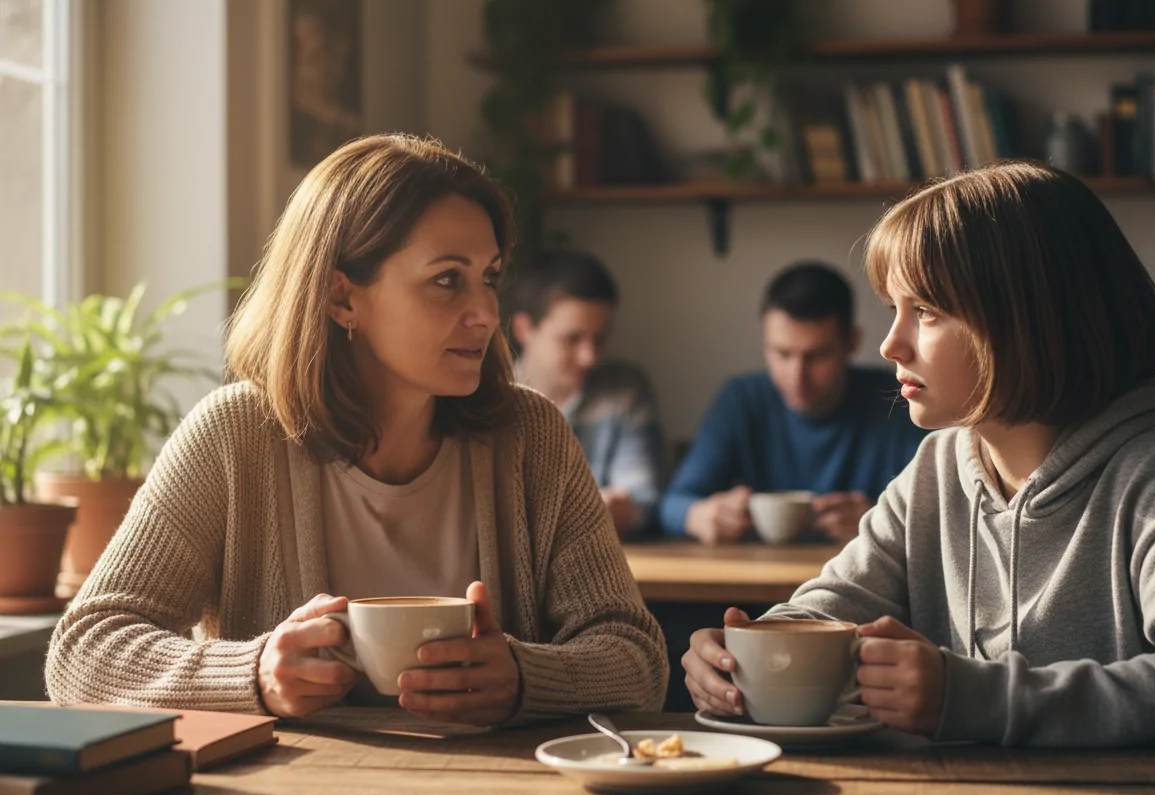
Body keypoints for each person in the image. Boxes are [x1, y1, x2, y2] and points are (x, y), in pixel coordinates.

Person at [44, 134, 668, 724]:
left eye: (489, 277)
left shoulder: (532, 437)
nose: (485, 313)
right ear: (343, 298)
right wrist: (253, 672)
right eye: (447, 279)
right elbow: (83, 654)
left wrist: (525, 678)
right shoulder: (233, 437)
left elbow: (636, 657)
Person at [682, 161, 1155, 746]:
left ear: (1025, 322)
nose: (889, 343)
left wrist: (975, 697)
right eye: (892, 310)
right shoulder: (938, 466)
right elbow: (830, 607)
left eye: (924, 312)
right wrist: (746, 654)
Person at [658, 261, 926, 544]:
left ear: (851, 343)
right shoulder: (741, 401)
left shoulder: (898, 399)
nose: (797, 377)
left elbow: (940, 511)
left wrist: (882, 520)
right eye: (782, 354)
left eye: (817, 356)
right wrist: (699, 515)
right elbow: (672, 504)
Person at [510, 250, 663, 537]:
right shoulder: (486, 394)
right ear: (524, 328)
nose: (589, 357)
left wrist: (623, 508)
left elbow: (643, 500)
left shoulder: (626, 392)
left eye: (600, 337)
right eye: (572, 339)